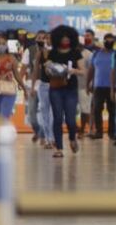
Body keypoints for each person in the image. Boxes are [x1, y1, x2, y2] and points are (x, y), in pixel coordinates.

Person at [45, 25, 85, 159]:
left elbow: (83, 71)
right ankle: (58, 148)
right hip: (55, 88)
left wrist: (72, 71)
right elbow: (47, 67)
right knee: (57, 118)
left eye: (68, 37)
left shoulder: (75, 53)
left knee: (71, 119)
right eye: (63, 38)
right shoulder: (53, 52)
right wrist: (50, 67)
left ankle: (72, 138)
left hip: (70, 89)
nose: (65, 40)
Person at [0, 31, 26, 121]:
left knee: (4, 116)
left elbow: (17, 75)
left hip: (8, 90)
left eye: (3, 43)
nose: (1, 45)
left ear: (7, 45)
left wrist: (25, 89)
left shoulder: (12, 58)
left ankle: (3, 133)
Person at [87, 33, 116, 140]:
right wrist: (88, 84)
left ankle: (112, 133)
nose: (109, 43)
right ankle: (99, 132)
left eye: (111, 41)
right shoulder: (96, 54)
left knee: (112, 111)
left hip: (112, 86)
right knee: (97, 110)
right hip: (98, 86)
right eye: (107, 40)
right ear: (103, 41)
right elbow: (91, 70)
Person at [29, 30, 55, 149]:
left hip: (56, 86)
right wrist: (33, 86)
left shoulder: (58, 52)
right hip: (43, 86)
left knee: (54, 113)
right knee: (44, 113)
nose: (47, 40)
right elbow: (35, 71)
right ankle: (49, 139)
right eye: (46, 38)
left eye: (49, 38)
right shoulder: (40, 53)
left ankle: (54, 137)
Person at [78, 29, 95, 136]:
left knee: (86, 110)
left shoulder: (89, 54)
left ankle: (87, 129)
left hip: (84, 86)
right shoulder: (70, 54)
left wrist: (91, 84)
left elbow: (93, 70)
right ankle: (79, 129)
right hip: (71, 87)